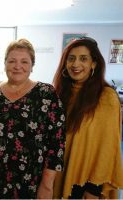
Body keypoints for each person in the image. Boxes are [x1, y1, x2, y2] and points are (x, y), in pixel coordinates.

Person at [0, 38, 66, 199]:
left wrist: (47, 184)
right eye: (12, 61)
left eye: (24, 62)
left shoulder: (46, 93)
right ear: (5, 63)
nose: (17, 66)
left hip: (31, 181)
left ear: (32, 66)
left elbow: (57, 142)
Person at [53, 36, 123, 199]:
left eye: (83, 59)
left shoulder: (106, 97)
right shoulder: (60, 94)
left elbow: (107, 148)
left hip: (85, 183)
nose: (76, 64)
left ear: (94, 63)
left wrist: (94, 189)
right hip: (57, 175)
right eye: (71, 59)